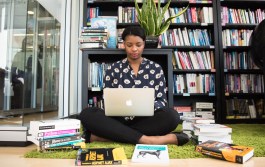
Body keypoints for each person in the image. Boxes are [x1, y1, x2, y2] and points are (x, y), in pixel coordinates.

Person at [79, 26, 189, 146]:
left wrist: (145, 107)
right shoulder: (113, 69)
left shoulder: (156, 68)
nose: (134, 49)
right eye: (129, 45)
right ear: (124, 45)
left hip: (146, 120)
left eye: (138, 44)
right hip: (118, 120)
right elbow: (108, 101)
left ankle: (107, 136)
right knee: (87, 114)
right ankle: (149, 140)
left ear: (144, 44)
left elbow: (162, 100)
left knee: (172, 116)